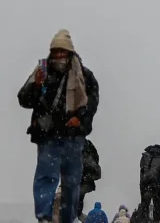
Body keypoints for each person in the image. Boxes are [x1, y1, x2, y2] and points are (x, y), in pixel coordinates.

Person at [19, 30, 100, 223]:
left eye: (62, 52)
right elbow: (24, 99)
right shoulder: (42, 71)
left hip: (73, 135)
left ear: (70, 52)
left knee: (71, 182)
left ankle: (67, 218)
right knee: (46, 175)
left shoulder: (85, 75)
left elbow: (92, 102)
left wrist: (80, 119)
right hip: (48, 134)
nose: (58, 56)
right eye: (55, 52)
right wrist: (36, 85)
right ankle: (44, 217)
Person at [138, 144, 160, 223]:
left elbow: (142, 169)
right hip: (158, 185)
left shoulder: (145, 156)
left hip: (145, 185)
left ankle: (144, 220)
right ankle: (156, 221)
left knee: (145, 205)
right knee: (157, 205)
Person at [78, 139, 102, 221]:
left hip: (79, 176)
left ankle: (77, 213)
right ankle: (78, 213)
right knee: (80, 196)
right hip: (86, 176)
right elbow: (96, 156)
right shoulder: (88, 143)